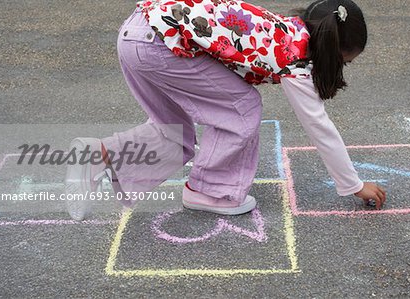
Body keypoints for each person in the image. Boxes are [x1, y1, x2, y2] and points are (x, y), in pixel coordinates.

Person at [65, 0, 386, 221]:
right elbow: (319, 126)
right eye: (345, 62)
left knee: (173, 131)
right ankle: (210, 192)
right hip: (158, 44)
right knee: (243, 106)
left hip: (137, 33)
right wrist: (353, 185)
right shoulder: (295, 57)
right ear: (332, 50)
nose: (342, 69)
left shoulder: (285, 29)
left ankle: (101, 155)